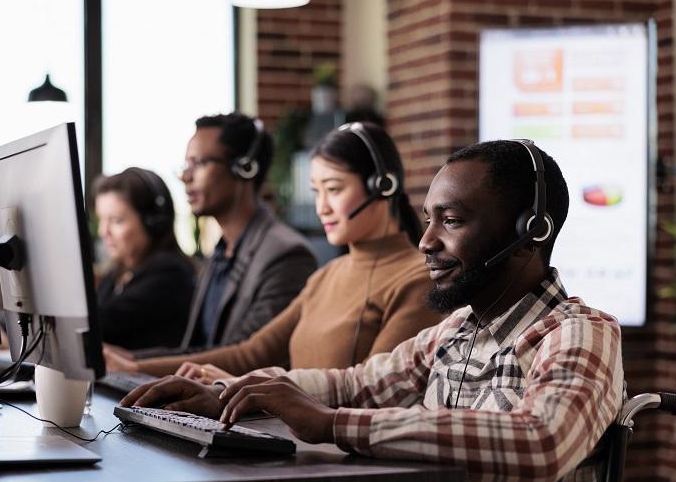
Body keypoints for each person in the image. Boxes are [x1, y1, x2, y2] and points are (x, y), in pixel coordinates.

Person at [121, 140, 625, 482]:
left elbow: (540, 444)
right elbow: (355, 384)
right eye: (429, 220)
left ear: (529, 231)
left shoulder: (580, 333)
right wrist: (234, 393)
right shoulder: (458, 330)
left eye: (450, 221)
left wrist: (335, 424)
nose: (427, 241)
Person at [109, 122, 442, 384]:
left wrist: (258, 386)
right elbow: (251, 354)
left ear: (383, 186)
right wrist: (134, 366)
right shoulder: (326, 276)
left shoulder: (416, 280)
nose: (322, 207)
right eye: (316, 191)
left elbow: (369, 387)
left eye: (335, 189)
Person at [104, 112, 317, 363]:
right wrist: (128, 358)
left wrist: (136, 367)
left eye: (199, 163)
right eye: (186, 165)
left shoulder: (285, 255)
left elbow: (246, 358)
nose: (186, 176)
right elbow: (198, 348)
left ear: (244, 168)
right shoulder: (220, 253)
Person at [94, 167, 195, 350]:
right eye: (102, 219)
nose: (103, 232)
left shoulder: (170, 274)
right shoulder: (116, 273)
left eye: (116, 221)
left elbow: (99, 325)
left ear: (153, 221)